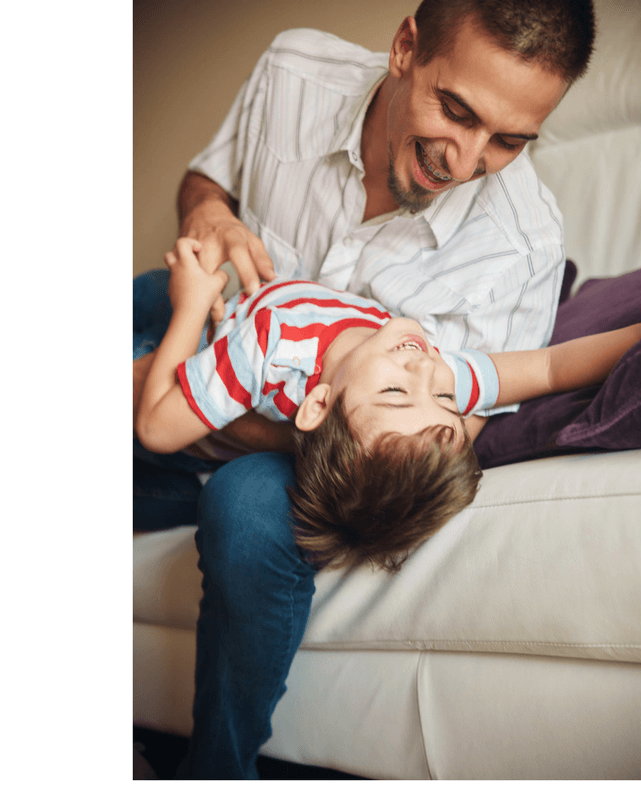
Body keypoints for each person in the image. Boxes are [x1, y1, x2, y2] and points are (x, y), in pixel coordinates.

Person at [134, 0, 598, 778]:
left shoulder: (524, 245)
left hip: (308, 449)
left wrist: (211, 409)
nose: (468, 160)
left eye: (511, 140)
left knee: (248, 512)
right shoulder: (292, 73)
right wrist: (210, 212)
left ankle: (216, 773)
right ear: (406, 47)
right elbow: (206, 179)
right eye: (456, 111)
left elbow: (434, 444)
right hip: (216, 345)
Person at [136, 236, 641, 574]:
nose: (426, 369)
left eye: (395, 393)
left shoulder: (273, 352)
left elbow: (157, 425)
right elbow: (549, 369)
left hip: (192, 359)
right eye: (448, 399)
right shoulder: (430, 380)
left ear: (316, 403)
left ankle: (168, 488)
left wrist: (192, 303)